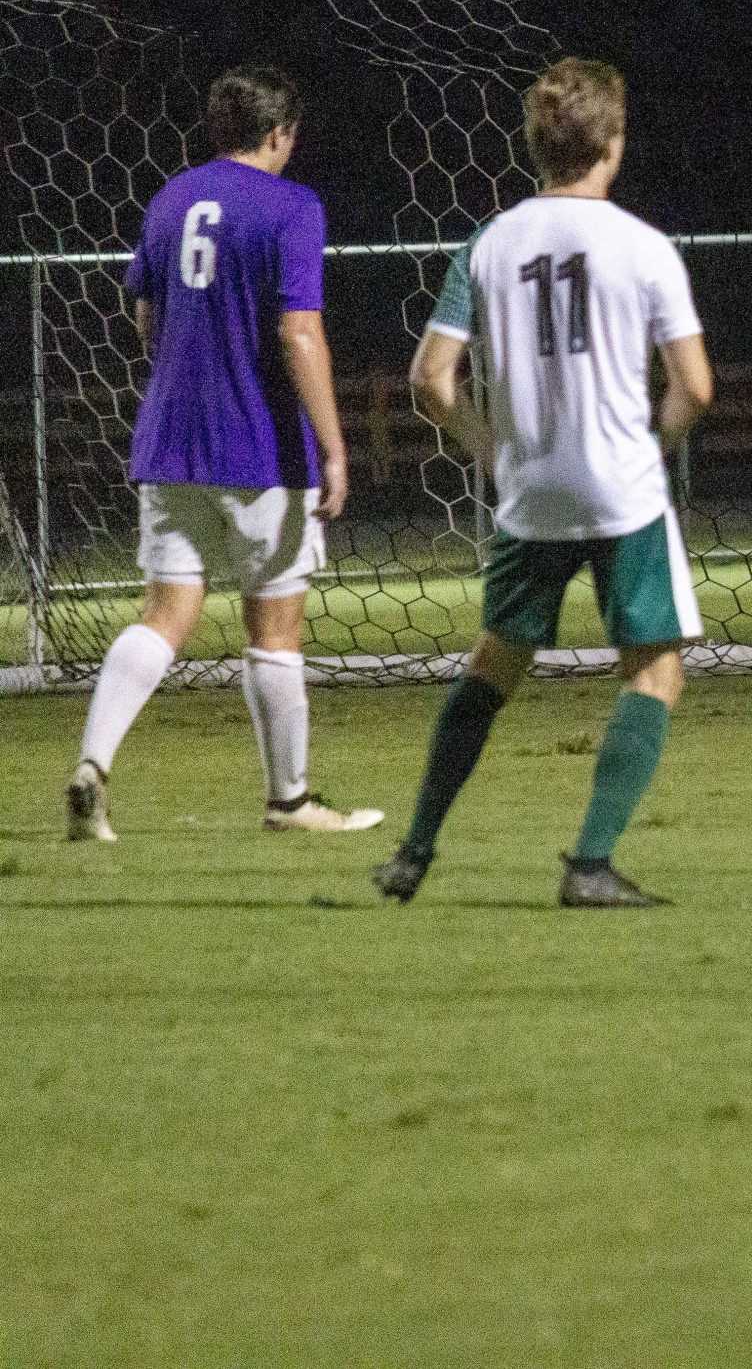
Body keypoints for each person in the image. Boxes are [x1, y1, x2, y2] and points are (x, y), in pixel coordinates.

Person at [372, 58, 713, 909]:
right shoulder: (643, 246)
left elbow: (430, 379)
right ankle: (589, 864)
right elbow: (695, 386)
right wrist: (656, 442)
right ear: (613, 142)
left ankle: (414, 850)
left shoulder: (488, 243)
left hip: (529, 495)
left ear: (537, 144)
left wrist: (491, 451)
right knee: (655, 667)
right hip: (621, 490)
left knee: (495, 662)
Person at [64, 65, 381, 840]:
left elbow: (145, 313)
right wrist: (335, 447)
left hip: (170, 439)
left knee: (166, 615)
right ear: (280, 134)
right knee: (273, 631)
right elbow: (298, 330)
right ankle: (291, 802)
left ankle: (92, 765)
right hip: (262, 449)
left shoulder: (170, 198)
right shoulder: (293, 206)